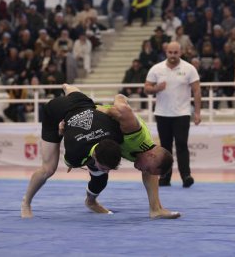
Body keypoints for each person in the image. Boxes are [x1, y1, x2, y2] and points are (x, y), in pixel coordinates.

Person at [21, 84, 180, 219]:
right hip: (63, 113)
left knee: (102, 171)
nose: (142, 170)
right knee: (48, 169)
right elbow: (121, 103)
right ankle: (26, 203)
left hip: (83, 106)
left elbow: (150, 173)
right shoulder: (133, 132)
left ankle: (68, 87)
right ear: (151, 155)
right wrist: (101, 110)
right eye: (147, 168)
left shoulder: (132, 147)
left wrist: (155, 207)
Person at [144, 41, 201, 188]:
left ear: (180, 52)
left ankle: (186, 176)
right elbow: (146, 88)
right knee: (165, 148)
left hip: (182, 114)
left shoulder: (189, 69)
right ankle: (165, 177)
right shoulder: (156, 69)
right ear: (166, 52)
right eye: (170, 52)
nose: (173, 55)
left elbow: (197, 91)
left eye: (176, 52)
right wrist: (156, 88)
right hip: (162, 114)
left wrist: (198, 113)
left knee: (182, 144)